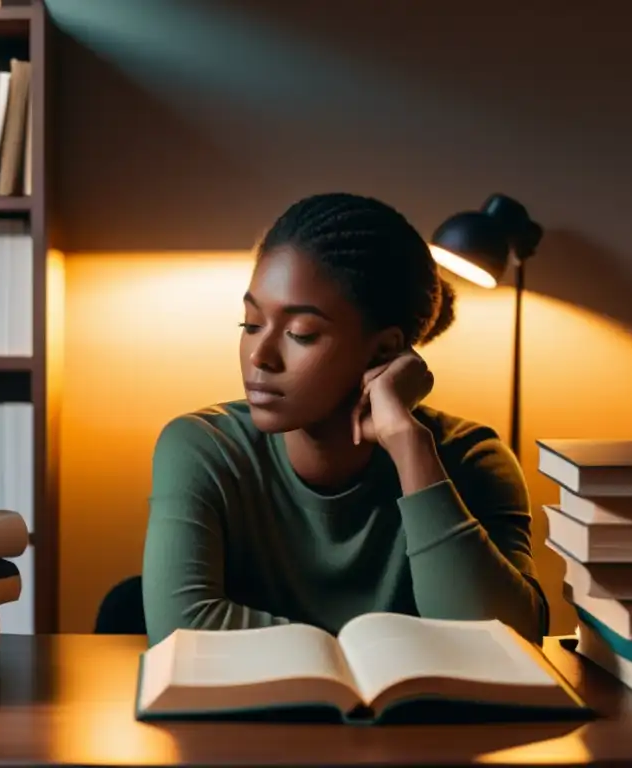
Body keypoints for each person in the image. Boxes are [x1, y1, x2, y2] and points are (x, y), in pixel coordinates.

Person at [141, 192, 548, 648]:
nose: (260, 355)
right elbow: (182, 628)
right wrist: (358, 656)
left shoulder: (473, 460)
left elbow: (509, 642)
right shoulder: (202, 449)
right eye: (251, 324)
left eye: (301, 333)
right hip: (247, 721)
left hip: (424, 722)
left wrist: (409, 447)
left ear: (384, 351)